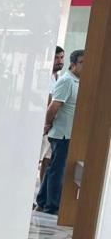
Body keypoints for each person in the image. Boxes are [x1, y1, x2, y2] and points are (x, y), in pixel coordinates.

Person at [35, 49, 84, 215]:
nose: (85, 66)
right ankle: (52, 206)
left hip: (69, 134)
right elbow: (54, 106)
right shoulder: (67, 81)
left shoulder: (78, 81)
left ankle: (42, 201)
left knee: (53, 170)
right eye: (82, 63)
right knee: (57, 171)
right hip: (62, 134)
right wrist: (47, 124)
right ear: (74, 64)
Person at [38, 46, 65, 183]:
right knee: (41, 157)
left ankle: (41, 193)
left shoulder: (58, 77)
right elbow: (48, 100)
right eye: (56, 58)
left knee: (47, 159)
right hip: (44, 123)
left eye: (61, 57)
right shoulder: (45, 76)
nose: (59, 61)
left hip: (53, 124)